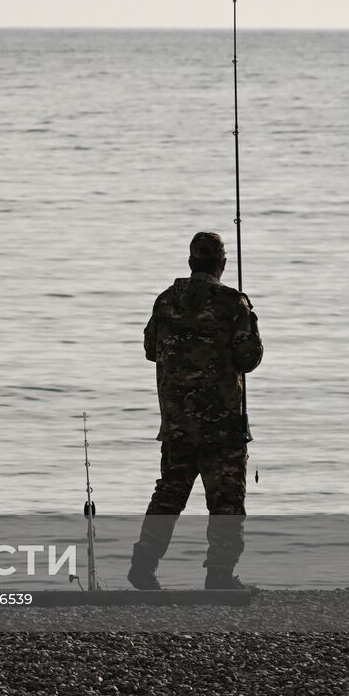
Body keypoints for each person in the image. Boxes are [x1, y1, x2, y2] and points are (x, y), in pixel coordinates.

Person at [128, 231, 263, 591]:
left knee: (169, 494)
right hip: (221, 425)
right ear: (221, 264)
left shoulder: (165, 301)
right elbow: (249, 358)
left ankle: (143, 565)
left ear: (190, 262)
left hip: (177, 423)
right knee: (226, 503)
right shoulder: (233, 303)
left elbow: (150, 349)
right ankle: (219, 575)